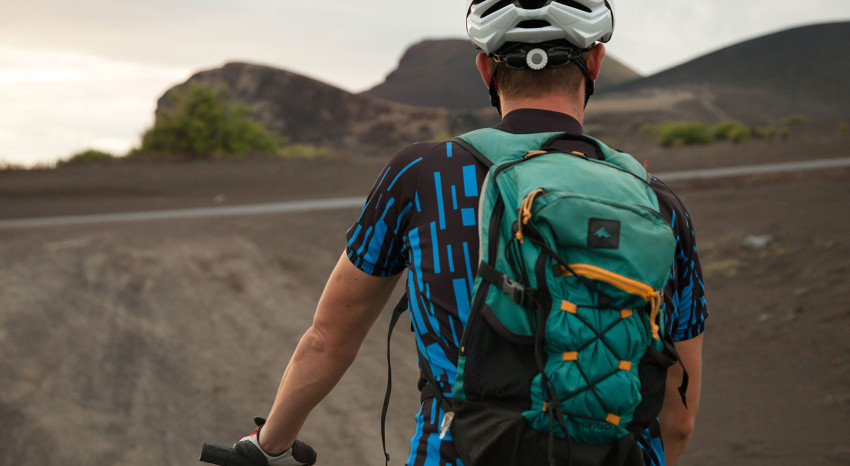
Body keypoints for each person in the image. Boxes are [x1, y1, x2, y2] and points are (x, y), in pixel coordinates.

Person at [232, 1, 707, 465]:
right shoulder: (656, 202)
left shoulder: (422, 173)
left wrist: (268, 443)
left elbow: (328, 339)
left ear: (485, 69)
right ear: (597, 62)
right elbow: (678, 419)